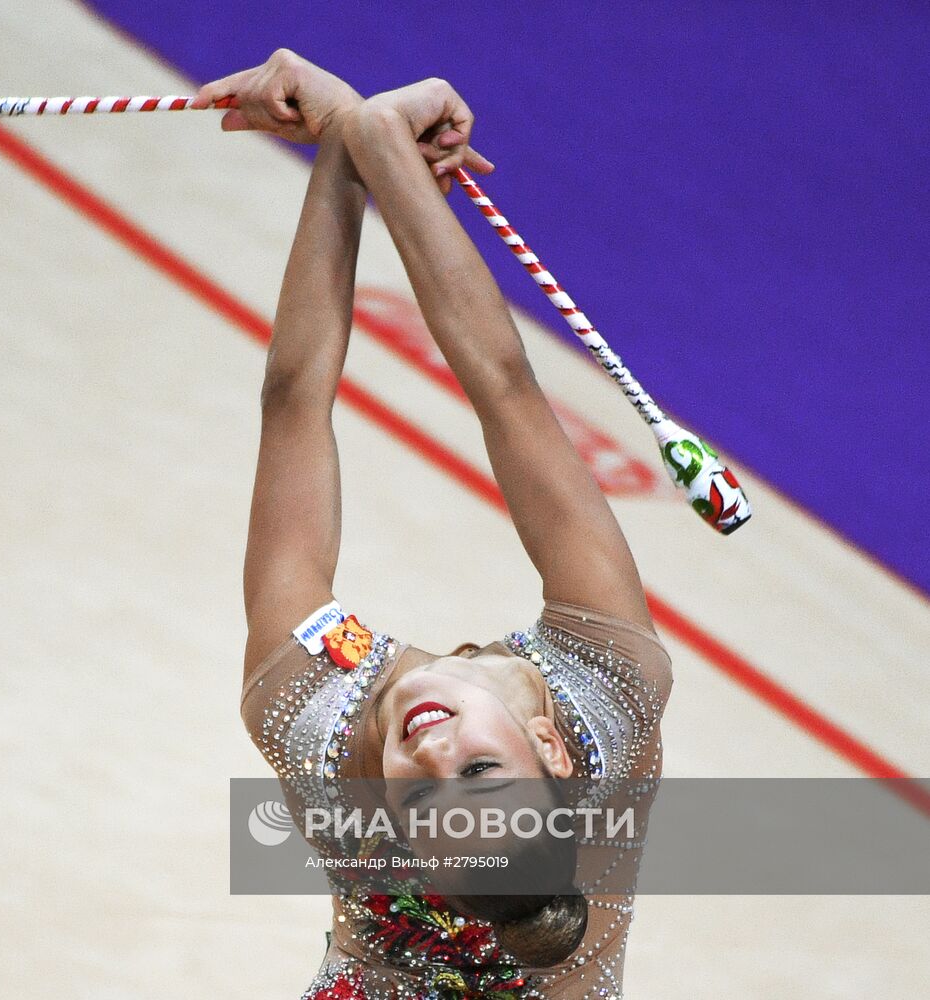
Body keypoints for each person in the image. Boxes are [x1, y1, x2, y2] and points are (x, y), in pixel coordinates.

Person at [193, 52, 673, 999]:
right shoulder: (610, 689)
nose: (436, 749)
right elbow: (505, 386)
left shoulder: (316, 728)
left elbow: (296, 399)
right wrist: (364, 141)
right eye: (484, 772)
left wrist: (357, 138)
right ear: (551, 753)